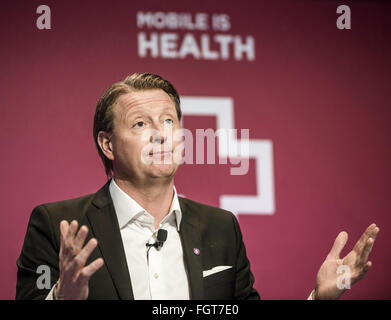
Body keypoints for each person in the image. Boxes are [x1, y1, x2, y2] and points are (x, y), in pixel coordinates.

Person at [16, 73, 379, 300]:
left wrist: (321, 297)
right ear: (108, 144)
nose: (160, 133)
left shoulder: (222, 227)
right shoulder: (58, 225)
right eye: (141, 124)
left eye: (169, 121)